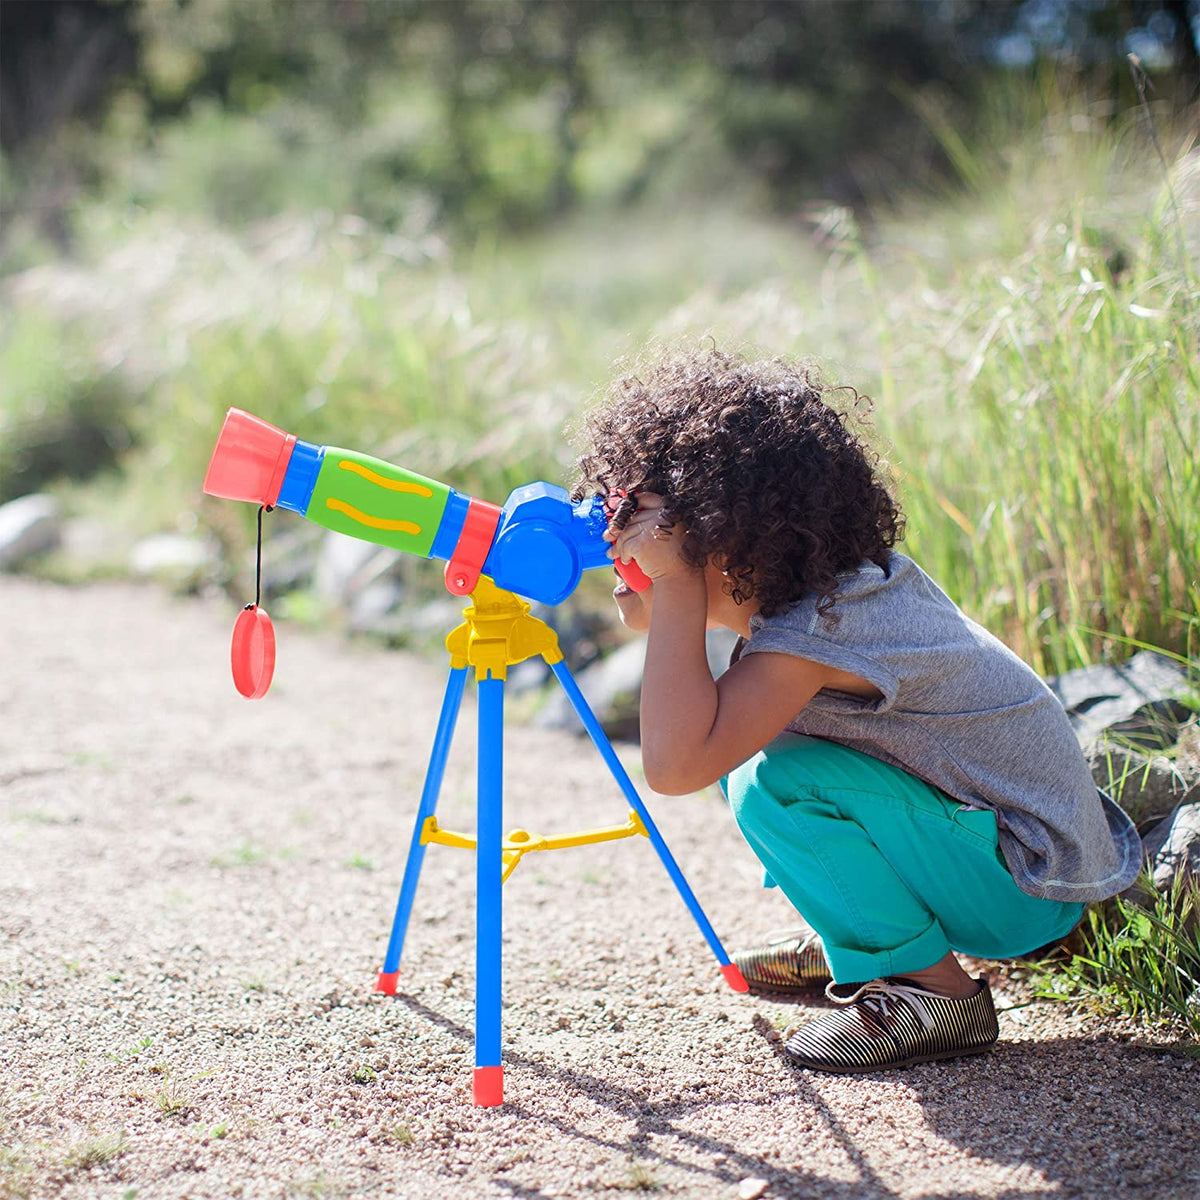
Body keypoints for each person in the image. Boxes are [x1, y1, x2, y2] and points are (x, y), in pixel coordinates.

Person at [573, 347, 1141, 1074]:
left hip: (1025, 880)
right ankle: (865, 934)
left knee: (772, 778)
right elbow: (693, 737)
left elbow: (674, 765)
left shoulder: (827, 627)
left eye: (649, 526)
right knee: (739, 743)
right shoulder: (824, 602)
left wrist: (677, 584)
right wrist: (671, 583)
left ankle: (933, 995)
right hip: (999, 853)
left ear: (732, 538)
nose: (624, 543)